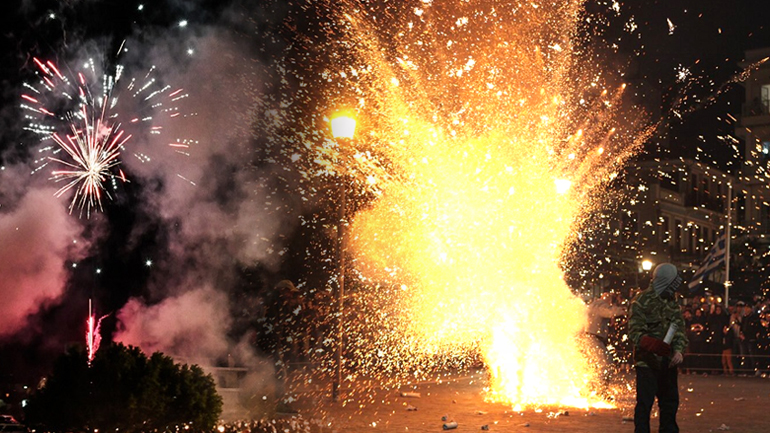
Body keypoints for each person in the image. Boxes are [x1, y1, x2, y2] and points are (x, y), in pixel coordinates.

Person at [628, 263, 688, 433]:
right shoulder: (641, 301)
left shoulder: (672, 302)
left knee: (670, 404)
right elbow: (635, 333)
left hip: (667, 363)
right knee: (644, 405)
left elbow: (679, 328)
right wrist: (654, 346)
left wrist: (678, 350)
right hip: (647, 363)